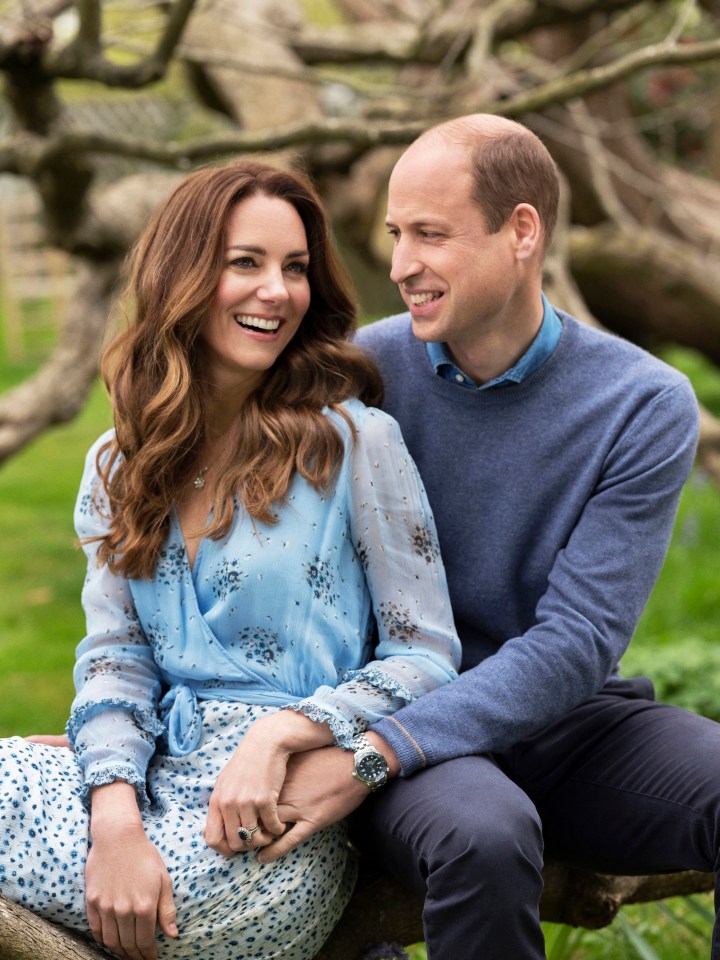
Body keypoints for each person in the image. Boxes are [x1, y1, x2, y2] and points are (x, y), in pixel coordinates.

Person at [252, 115, 720, 959]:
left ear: (522, 232)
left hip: (559, 722)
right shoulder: (362, 374)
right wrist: (367, 741)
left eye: (431, 234)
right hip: (401, 714)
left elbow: (578, 643)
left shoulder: (642, 403)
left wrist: (373, 757)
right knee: (485, 837)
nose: (400, 266)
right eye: (396, 235)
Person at [0, 160, 461, 960]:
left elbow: (425, 654)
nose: (275, 292)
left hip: (275, 821)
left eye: (294, 268)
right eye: (244, 263)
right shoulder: (119, 462)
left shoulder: (354, 444)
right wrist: (112, 817)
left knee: (182, 912)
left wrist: (285, 732)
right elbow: (115, 659)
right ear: (182, 275)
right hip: (149, 777)